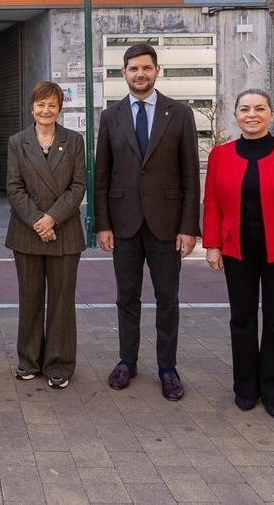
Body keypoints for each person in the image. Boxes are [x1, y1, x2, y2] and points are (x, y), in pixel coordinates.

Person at [202, 89, 274, 418]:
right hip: (237, 249)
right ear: (236, 115)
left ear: (272, 114)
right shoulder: (221, 155)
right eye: (244, 109)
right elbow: (212, 203)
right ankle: (245, 387)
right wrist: (211, 244)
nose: (252, 114)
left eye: (260, 108)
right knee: (241, 321)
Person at [95, 43, 200, 399]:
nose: (140, 74)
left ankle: (167, 368)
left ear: (157, 71)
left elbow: (190, 176)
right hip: (123, 224)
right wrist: (102, 224)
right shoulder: (111, 117)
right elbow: (102, 176)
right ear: (123, 73)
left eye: (146, 68)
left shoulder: (180, 113)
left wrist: (189, 228)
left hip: (167, 226)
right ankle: (127, 361)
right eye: (133, 69)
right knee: (127, 298)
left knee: (167, 298)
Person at [5, 81, 86, 389]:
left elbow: (78, 186)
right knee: (30, 299)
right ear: (32, 107)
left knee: (63, 302)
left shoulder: (74, 141)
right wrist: (38, 221)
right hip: (27, 233)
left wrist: (52, 218)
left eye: (52, 105)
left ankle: (59, 364)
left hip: (64, 232)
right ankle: (28, 360)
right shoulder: (17, 142)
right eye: (41, 104)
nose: (46, 110)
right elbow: (13, 187)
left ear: (60, 108)